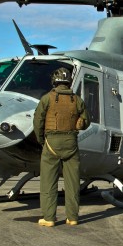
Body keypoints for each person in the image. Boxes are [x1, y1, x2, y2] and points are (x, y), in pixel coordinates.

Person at [33, 67, 90, 227]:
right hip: (71, 142)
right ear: (69, 81)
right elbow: (86, 121)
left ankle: (49, 218)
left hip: (51, 143)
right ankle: (72, 217)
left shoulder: (47, 99)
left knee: (48, 182)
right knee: (72, 183)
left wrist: (41, 140)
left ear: (55, 81)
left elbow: (38, 122)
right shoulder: (77, 100)